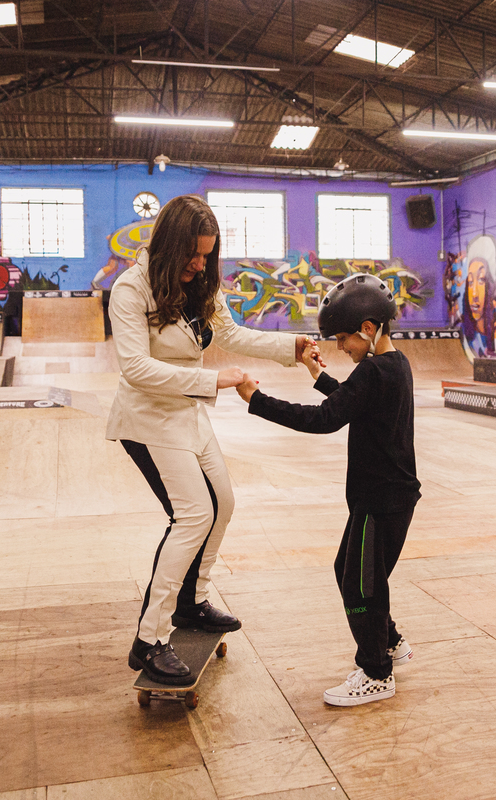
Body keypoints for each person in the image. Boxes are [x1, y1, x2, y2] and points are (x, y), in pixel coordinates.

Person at [106, 194, 322, 686]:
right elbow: (135, 367)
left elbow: (233, 334)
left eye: (207, 254)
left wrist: (292, 347)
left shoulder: (201, 285)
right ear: (169, 245)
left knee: (222, 503)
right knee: (192, 516)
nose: (201, 264)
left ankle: (191, 602)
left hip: (188, 414)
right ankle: (149, 639)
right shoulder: (130, 289)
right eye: (193, 254)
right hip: (148, 418)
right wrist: (212, 380)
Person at [235, 274, 421, 706]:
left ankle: (376, 672)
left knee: (360, 586)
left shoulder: (371, 371)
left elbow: (325, 418)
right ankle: (389, 641)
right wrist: (315, 371)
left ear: (368, 328)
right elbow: (351, 402)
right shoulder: (395, 365)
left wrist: (257, 401)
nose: (341, 348)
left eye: (343, 338)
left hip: (379, 502)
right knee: (351, 572)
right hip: (389, 499)